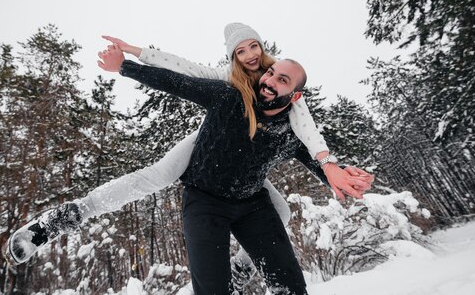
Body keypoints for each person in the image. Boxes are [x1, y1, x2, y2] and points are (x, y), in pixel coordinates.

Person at [3, 24, 373, 285]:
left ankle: (243, 268)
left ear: (264, 49)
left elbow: (305, 131)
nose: (250, 57)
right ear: (231, 56)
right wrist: (130, 58)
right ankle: (62, 218)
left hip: (249, 168)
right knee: (156, 176)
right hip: (210, 141)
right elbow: (179, 73)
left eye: (253, 47)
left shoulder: (284, 90)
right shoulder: (226, 82)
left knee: (282, 210)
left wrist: (330, 168)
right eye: (239, 51)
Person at [97, 47, 372, 295]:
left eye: (282, 81)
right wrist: (124, 67)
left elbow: (317, 162)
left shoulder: (290, 133)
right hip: (204, 202)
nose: (269, 82)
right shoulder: (229, 98)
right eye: (271, 73)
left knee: (290, 287)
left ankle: (245, 271)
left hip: (253, 207)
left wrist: (343, 175)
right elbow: (178, 82)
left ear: (295, 96)